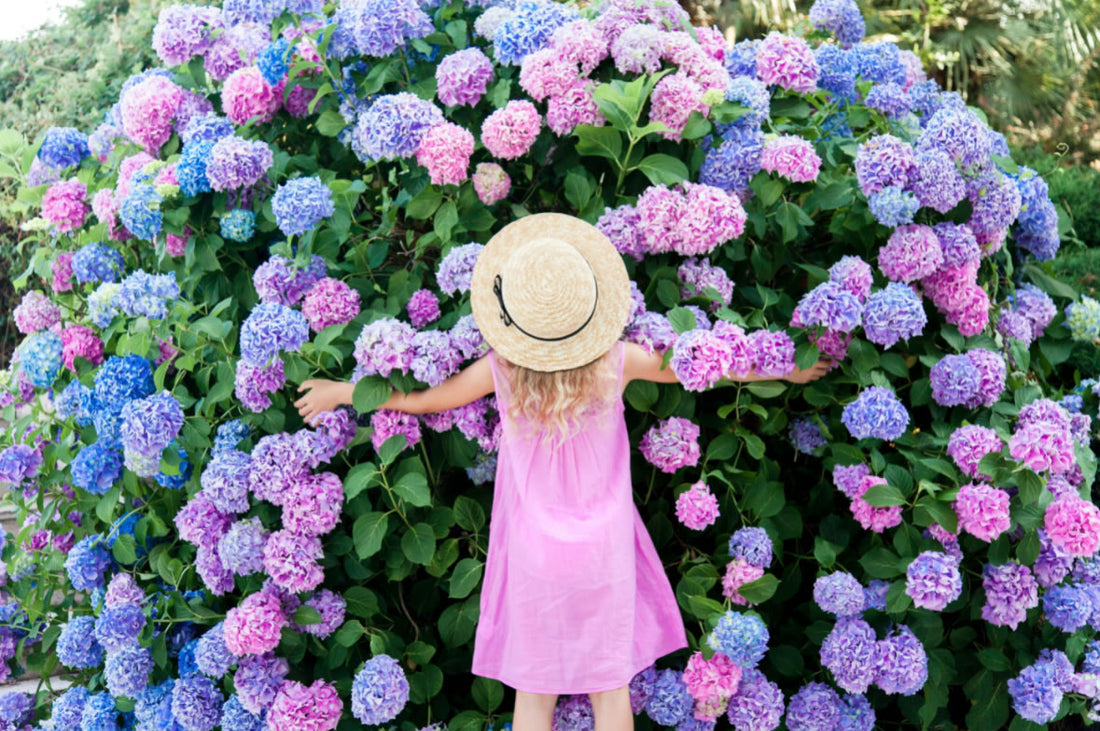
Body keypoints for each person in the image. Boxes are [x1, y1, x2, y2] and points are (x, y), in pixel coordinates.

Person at [295, 213, 829, 731]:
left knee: (534, 692)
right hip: (604, 546)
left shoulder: (502, 370)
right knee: (610, 690)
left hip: (534, 551)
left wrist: (342, 391)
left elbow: (427, 401)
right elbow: (704, 367)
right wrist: (789, 365)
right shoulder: (616, 362)